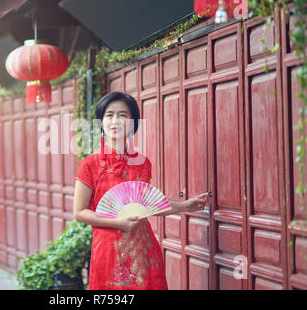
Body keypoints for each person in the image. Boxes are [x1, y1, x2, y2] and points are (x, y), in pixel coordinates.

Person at [73, 91, 209, 290]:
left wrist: (185, 205)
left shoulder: (142, 163)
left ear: (133, 123)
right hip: (109, 249)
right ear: (100, 123)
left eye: (123, 115)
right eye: (109, 115)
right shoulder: (89, 165)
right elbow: (79, 212)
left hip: (142, 247)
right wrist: (118, 222)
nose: (116, 121)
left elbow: (150, 203)